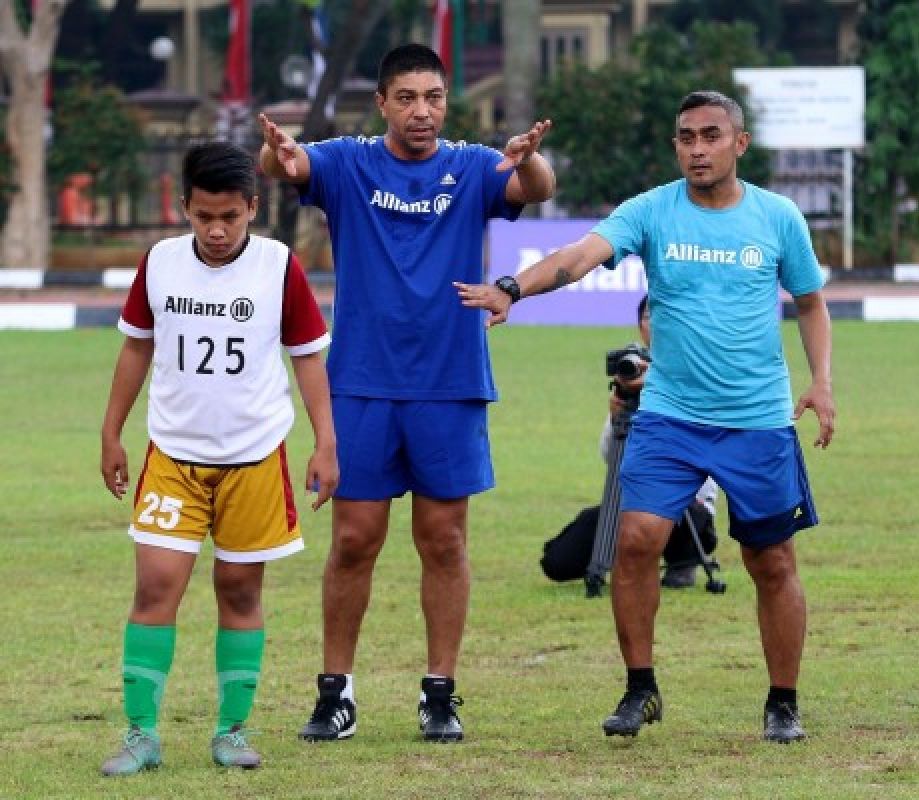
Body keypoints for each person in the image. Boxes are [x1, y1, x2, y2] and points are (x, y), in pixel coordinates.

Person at [457, 90, 834, 743]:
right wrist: (514, 288)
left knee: (771, 562)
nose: (697, 148)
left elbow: (810, 302)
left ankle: (783, 702)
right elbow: (577, 257)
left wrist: (822, 381)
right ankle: (640, 689)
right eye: (686, 136)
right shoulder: (653, 210)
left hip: (758, 420)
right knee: (634, 542)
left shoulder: (778, 218)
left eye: (711, 135)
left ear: (738, 144)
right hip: (670, 415)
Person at [258, 43, 556, 743]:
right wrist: (276, 151)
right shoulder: (349, 160)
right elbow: (288, 167)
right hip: (362, 384)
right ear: (383, 103)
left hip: (449, 385)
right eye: (408, 98)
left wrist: (528, 156)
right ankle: (336, 694)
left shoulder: (476, 165)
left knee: (444, 541)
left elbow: (532, 189)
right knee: (355, 541)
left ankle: (440, 693)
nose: (422, 111)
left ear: (445, 102)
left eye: (434, 97)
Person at [98, 142, 337, 776]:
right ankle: (139, 734)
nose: (216, 229)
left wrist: (326, 442)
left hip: (255, 457)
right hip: (174, 456)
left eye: (229, 216)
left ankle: (232, 731)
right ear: (184, 207)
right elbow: (135, 350)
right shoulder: (161, 264)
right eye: (203, 215)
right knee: (155, 587)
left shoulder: (278, 266)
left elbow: (307, 355)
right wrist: (111, 432)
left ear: (252, 209)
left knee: (238, 589)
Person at [540, 295, 719, 588]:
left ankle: (682, 563)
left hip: (687, 501)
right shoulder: (632, 372)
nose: (656, 323)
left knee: (690, 513)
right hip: (630, 501)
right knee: (557, 561)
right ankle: (611, 561)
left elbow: (706, 451)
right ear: (640, 326)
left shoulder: (695, 372)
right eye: (649, 317)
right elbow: (609, 455)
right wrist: (617, 416)